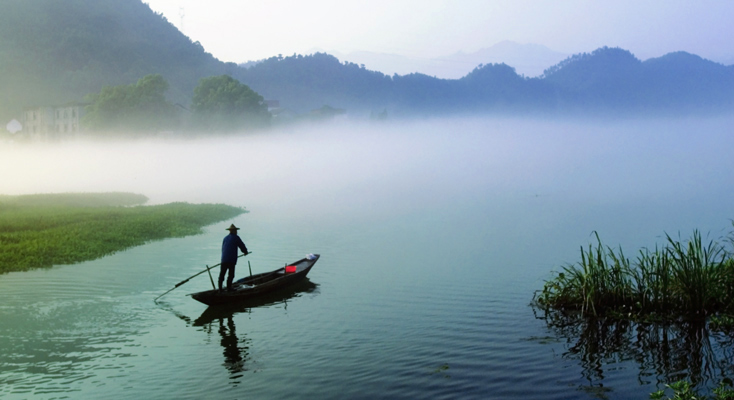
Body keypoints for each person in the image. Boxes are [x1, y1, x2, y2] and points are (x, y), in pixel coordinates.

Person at [219, 224, 248, 291]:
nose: (236, 232)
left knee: (222, 274)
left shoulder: (225, 238)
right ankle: (229, 288)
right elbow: (242, 246)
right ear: (234, 231)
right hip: (231, 259)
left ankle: (220, 289)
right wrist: (245, 252)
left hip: (224, 259)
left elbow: (223, 248)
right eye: (235, 231)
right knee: (231, 274)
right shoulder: (236, 237)